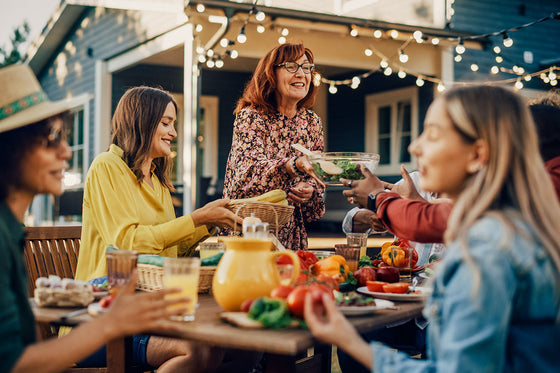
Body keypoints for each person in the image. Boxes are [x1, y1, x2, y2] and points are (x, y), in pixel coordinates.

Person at [306, 85, 560, 372]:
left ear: (478, 154)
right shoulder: (511, 230)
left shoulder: (485, 253)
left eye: (433, 134)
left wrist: (350, 341)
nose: (415, 147)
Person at [0, 63, 192, 372]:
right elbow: (14, 364)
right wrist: (109, 324)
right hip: (98, 321)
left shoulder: (10, 233)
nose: (65, 151)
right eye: (50, 137)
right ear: (8, 149)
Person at [74, 86, 259, 371]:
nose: (173, 133)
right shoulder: (106, 167)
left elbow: (170, 251)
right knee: (195, 351)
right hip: (102, 319)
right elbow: (127, 243)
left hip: (153, 310)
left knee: (240, 344)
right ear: (142, 122)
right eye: (165, 123)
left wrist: (209, 222)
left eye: (173, 124)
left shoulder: (158, 181)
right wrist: (196, 219)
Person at [222, 42, 326, 251]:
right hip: (247, 235)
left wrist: (309, 193)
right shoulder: (251, 117)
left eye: (306, 68)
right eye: (291, 66)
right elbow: (247, 177)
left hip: (292, 242)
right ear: (271, 74)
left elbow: (317, 192)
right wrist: (294, 166)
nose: (301, 74)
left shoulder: (312, 122)